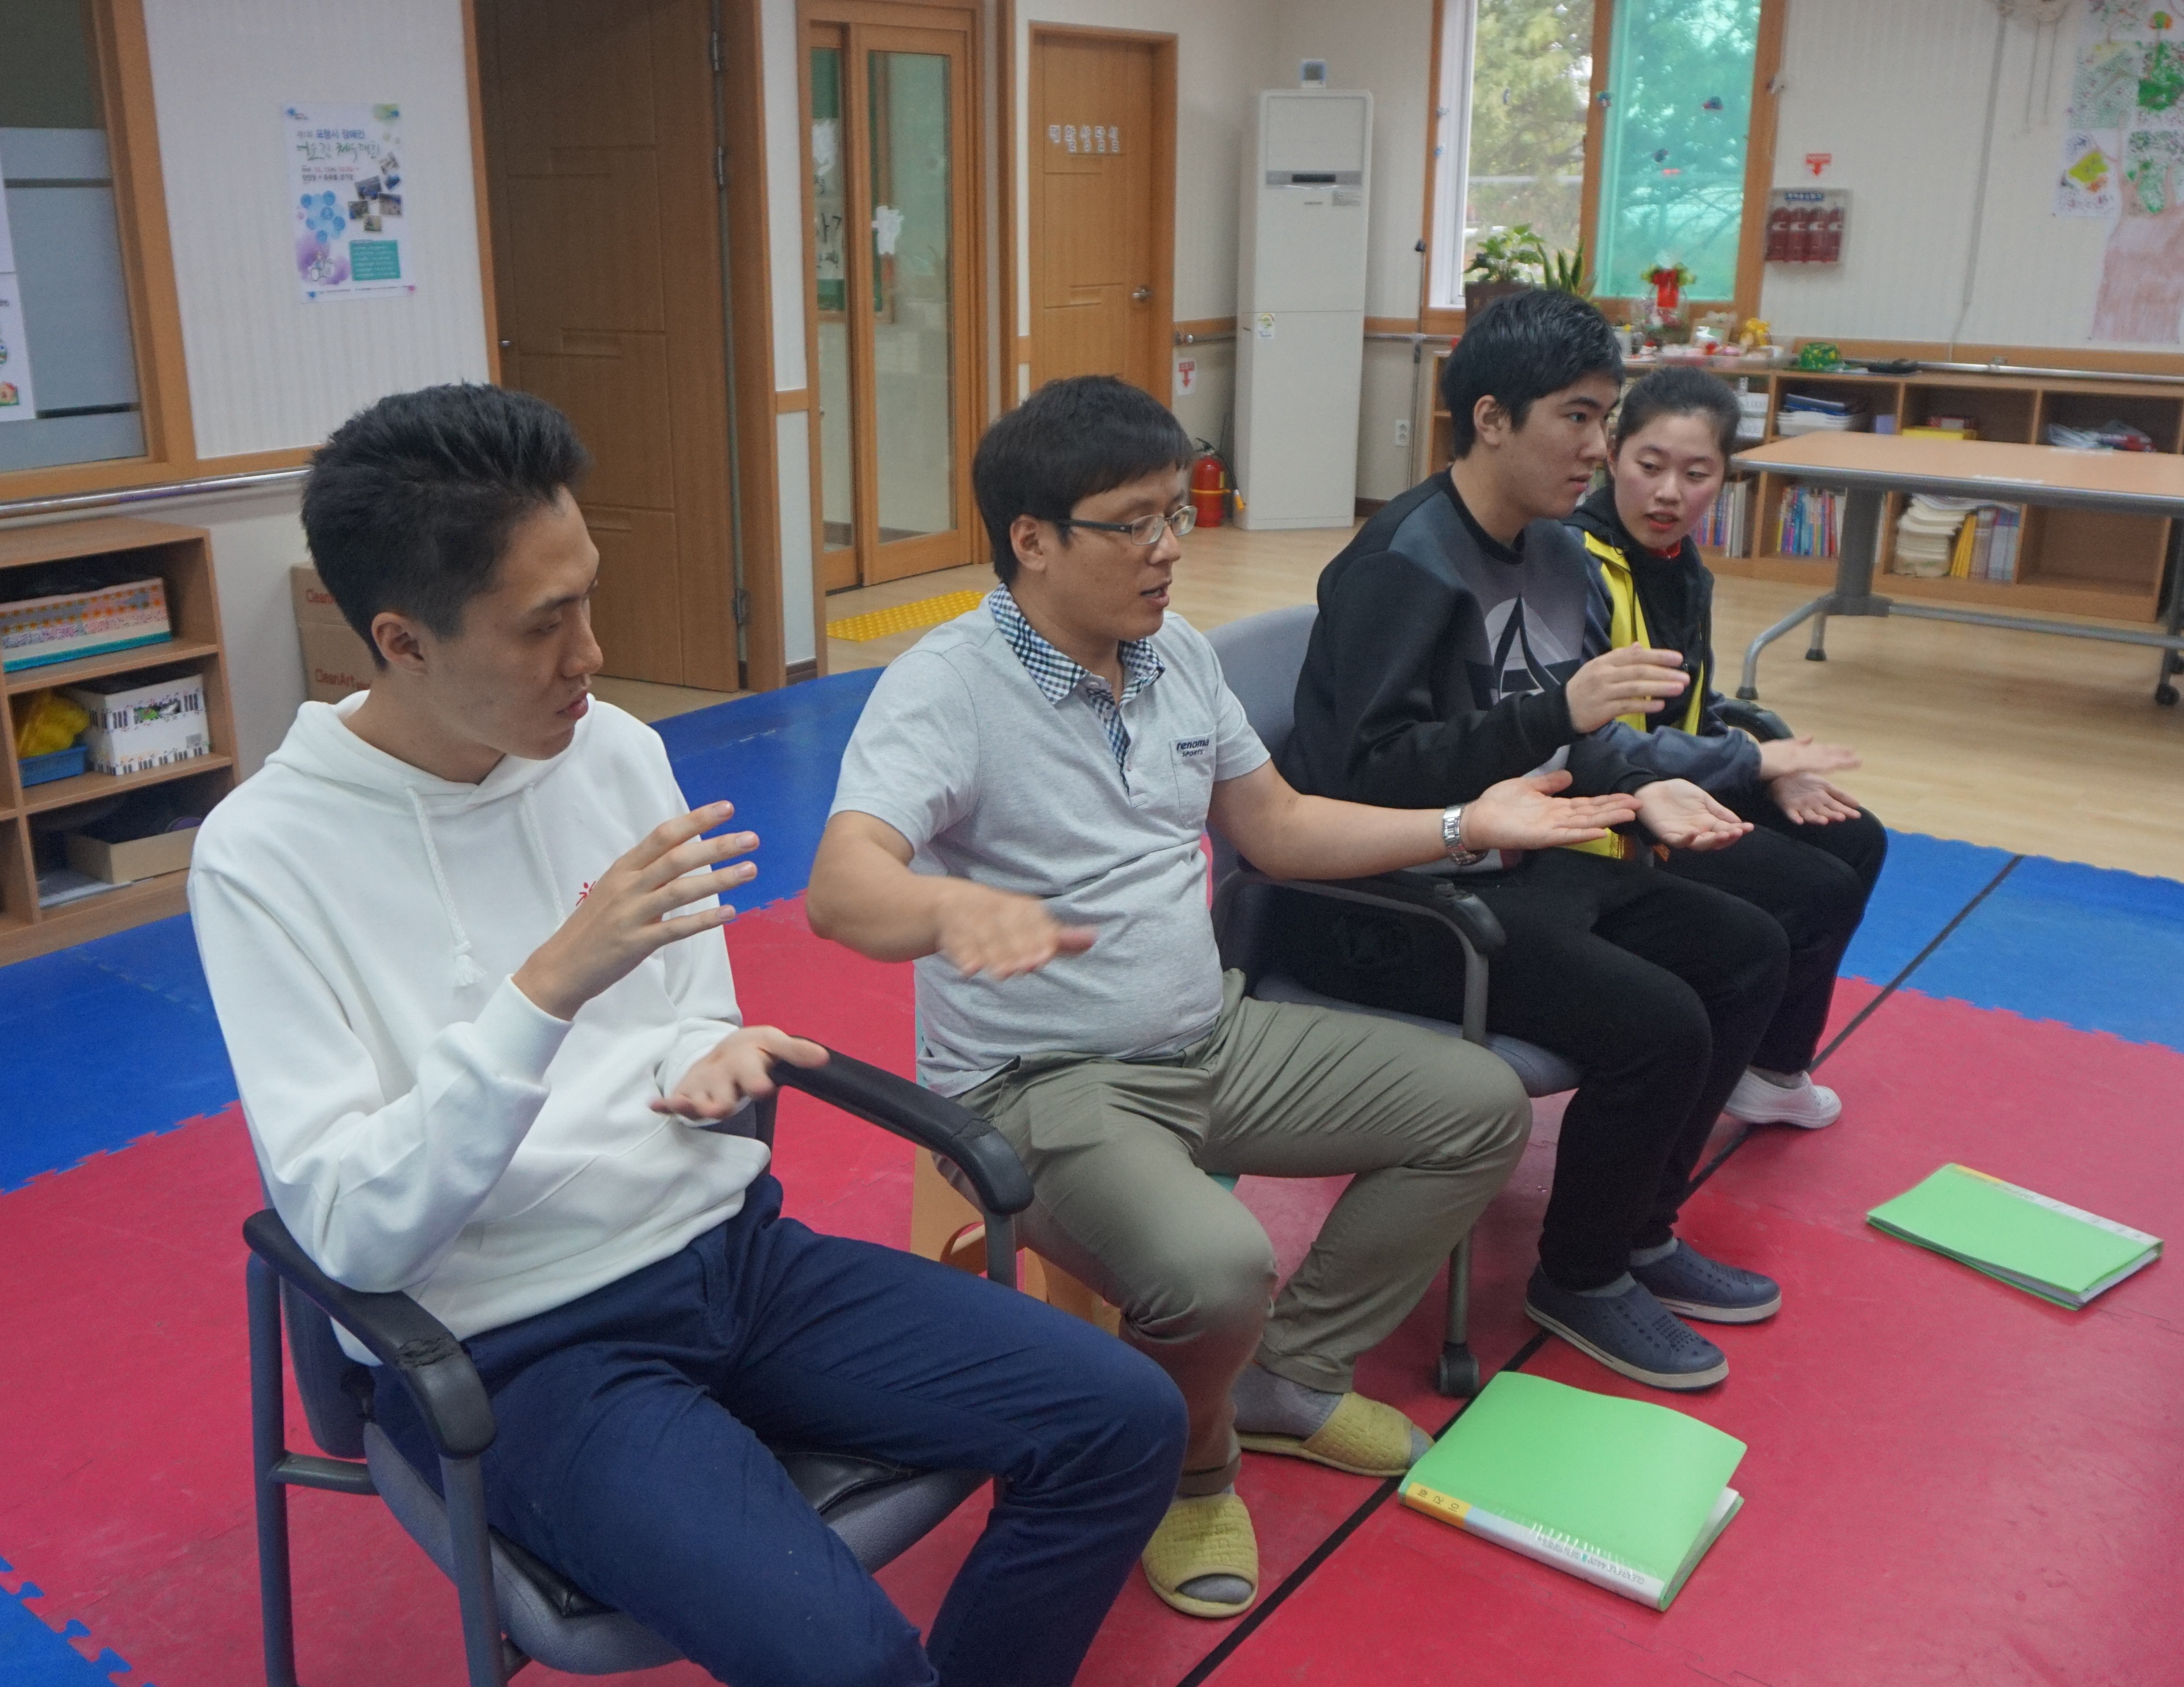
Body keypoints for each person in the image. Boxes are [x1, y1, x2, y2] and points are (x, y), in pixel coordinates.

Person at [187, 384, 1189, 1687]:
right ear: (402, 640)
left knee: (1124, 1418)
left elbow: (681, 1017)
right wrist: (547, 987)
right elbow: (350, 1234)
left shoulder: (605, 750)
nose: (591, 654)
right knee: (853, 1663)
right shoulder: (265, 854)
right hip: (515, 1348)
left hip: (733, 1258)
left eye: (588, 600)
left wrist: (699, 1058)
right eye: (544, 624)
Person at [808, 374, 1636, 1620]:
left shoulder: (1175, 654)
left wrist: (1465, 820)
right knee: (1217, 1266)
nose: (1168, 548)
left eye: (1175, 513)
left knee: (1476, 1108)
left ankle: (1283, 1377)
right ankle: (1193, 1465)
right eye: (1131, 523)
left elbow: (1280, 827)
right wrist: (945, 910)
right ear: (1032, 539)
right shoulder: (948, 686)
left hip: (1210, 1033)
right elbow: (840, 888)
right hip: (1044, 1082)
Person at [1274, 289, 1791, 1394]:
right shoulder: (1403, 562)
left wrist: (1642, 785)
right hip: (1390, 899)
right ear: (1492, 419)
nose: (1598, 449)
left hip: (1519, 861)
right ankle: (1582, 1273)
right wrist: (1556, 719)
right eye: (1578, 418)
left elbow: (1576, 734)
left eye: (1605, 417)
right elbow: (1361, 778)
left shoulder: (1559, 552)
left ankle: (1638, 1229)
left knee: (1749, 947)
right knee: (1659, 1021)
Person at [1566, 365, 1890, 1122]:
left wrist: (1768, 771)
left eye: (1696, 474)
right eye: (1650, 466)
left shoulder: (1682, 567)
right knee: (1817, 891)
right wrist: (1753, 759)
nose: (1669, 493)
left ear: (1725, 479)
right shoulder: (1576, 562)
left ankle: (1771, 1068)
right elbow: (1593, 739)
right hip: (1612, 805)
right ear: (1612, 455)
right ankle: (1731, 1064)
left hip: (1680, 779)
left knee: (1856, 838)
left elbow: (1689, 709)